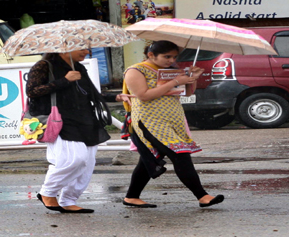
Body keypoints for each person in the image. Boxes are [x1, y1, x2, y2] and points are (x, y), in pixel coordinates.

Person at [122, 40, 224, 208]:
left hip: (172, 119)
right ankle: (202, 196)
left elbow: (187, 92)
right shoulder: (135, 70)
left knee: (150, 158)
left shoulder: (170, 71)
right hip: (149, 120)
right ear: (151, 55)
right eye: (166, 56)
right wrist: (175, 82)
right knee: (180, 154)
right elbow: (143, 95)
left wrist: (192, 79)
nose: (170, 60)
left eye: (174, 57)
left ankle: (132, 196)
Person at [27, 49, 127, 213]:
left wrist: (115, 97)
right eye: (81, 47)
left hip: (85, 118)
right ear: (65, 48)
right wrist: (64, 80)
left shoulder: (78, 67)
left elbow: (90, 92)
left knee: (87, 163)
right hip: (61, 119)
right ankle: (48, 192)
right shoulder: (43, 66)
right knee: (75, 159)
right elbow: (32, 91)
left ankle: (68, 199)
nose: (87, 51)